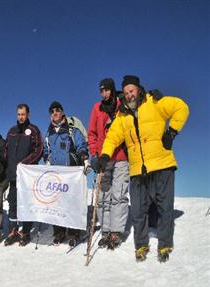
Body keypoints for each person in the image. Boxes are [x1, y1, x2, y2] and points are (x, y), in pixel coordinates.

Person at [97, 75, 189, 262]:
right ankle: (141, 246)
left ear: (138, 89)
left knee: (165, 208)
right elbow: (113, 137)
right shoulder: (122, 116)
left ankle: (164, 245)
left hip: (162, 165)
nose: (130, 95)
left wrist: (171, 132)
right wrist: (105, 155)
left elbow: (181, 107)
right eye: (127, 92)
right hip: (138, 170)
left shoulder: (154, 102)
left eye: (132, 90)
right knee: (138, 211)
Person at [88, 78, 129, 249]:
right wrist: (95, 154)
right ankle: (105, 230)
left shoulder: (122, 106)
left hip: (120, 156)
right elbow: (92, 133)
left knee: (118, 195)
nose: (104, 94)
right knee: (103, 195)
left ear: (112, 90)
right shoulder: (97, 108)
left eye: (106, 90)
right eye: (101, 91)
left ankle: (116, 231)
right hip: (102, 159)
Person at [43, 101, 89, 247]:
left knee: (72, 202)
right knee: (56, 203)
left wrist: (85, 158)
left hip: (71, 173)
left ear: (62, 112)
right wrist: (47, 160)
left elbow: (81, 144)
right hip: (56, 175)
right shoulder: (49, 133)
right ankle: (59, 231)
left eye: (57, 110)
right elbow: (46, 150)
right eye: (52, 111)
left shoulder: (71, 129)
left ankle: (75, 232)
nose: (54, 113)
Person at [4, 103, 43, 246]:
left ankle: (25, 232)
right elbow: (6, 152)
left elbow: (38, 150)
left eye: (23, 114)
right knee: (13, 203)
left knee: (26, 203)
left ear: (28, 115)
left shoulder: (34, 130)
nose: (21, 117)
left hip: (27, 176)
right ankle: (13, 231)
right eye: (19, 114)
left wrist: (25, 163)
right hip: (14, 175)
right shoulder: (11, 131)